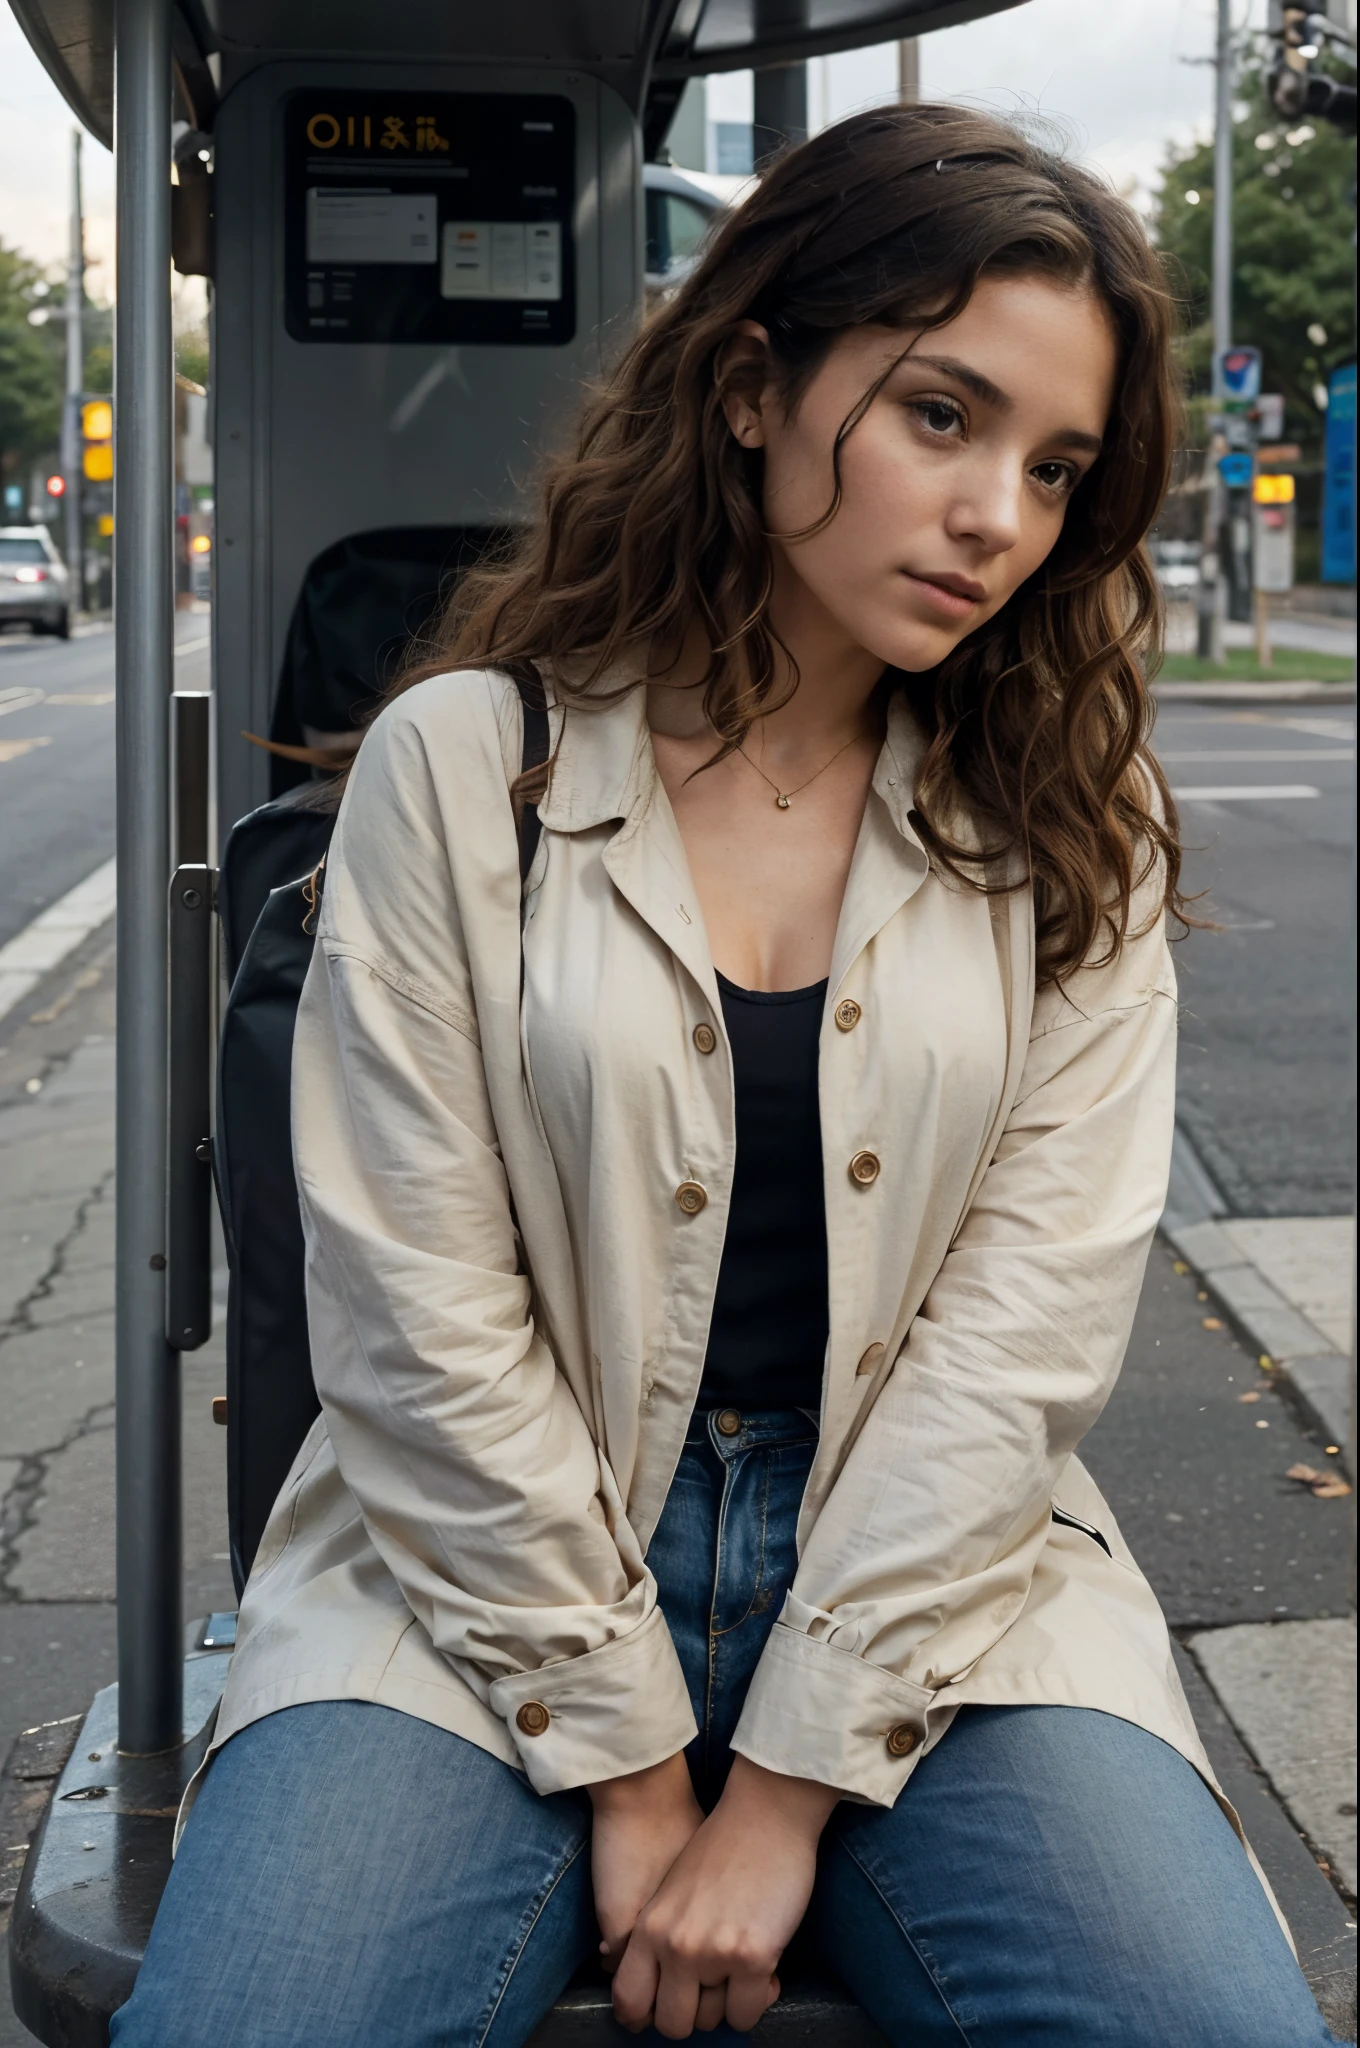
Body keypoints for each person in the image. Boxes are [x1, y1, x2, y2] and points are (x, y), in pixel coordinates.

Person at [111, 103, 1338, 2047]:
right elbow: (414, 1313)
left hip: (947, 1581)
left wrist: (775, 1793)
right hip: (470, 1567)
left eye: (1052, 466)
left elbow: (1022, 1334)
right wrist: (625, 1760)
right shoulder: (461, 763)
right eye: (941, 416)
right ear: (753, 386)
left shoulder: (1063, 815)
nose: (994, 517)